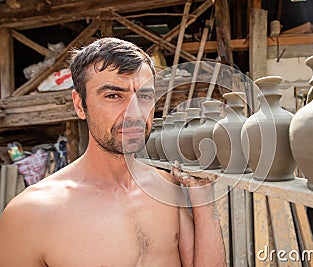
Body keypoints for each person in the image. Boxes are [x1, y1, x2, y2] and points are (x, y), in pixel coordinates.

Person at [0, 37, 226, 267]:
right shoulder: (29, 214)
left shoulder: (167, 187)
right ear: (80, 104)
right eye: (113, 96)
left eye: (145, 96)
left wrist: (203, 198)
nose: (134, 114)